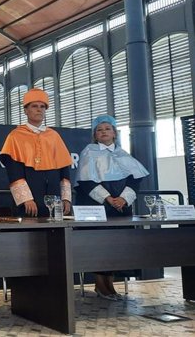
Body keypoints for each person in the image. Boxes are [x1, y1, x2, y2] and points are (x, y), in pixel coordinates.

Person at [75, 115, 149, 300]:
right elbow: (86, 181)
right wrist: (108, 198)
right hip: (97, 207)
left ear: (114, 132)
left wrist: (123, 199)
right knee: (100, 245)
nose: (104, 132)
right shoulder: (88, 152)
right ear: (95, 134)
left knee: (118, 246)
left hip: (120, 208)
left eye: (107, 128)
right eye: (100, 129)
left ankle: (111, 285)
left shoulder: (123, 154)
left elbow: (135, 179)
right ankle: (101, 285)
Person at [0, 88, 73, 217]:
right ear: (26, 110)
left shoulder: (54, 136)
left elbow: (64, 170)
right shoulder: (15, 136)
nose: (39, 109)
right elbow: (14, 171)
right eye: (34, 106)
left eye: (42, 107)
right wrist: (26, 199)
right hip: (30, 199)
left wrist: (66, 198)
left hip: (54, 196)